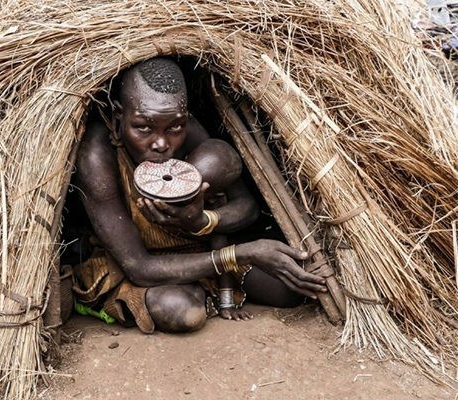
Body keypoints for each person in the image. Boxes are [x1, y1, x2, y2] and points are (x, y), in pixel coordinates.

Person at [71, 57, 327, 333]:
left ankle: (203, 286)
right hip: (134, 264)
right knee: (182, 312)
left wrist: (201, 222)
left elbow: (247, 207)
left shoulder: (183, 128)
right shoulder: (97, 155)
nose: (161, 143)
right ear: (118, 116)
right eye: (143, 127)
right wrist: (242, 253)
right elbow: (139, 267)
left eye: (175, 128)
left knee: (288, 290)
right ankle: (197, 289)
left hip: (199, 248)